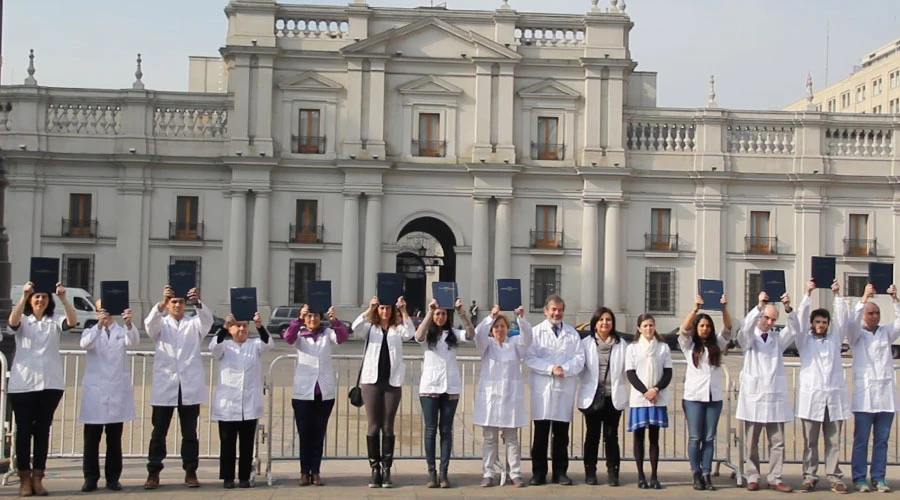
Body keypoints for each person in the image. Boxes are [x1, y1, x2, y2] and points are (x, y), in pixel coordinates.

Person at [7, 281, 76, 496]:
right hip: (23, 384)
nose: (40, 300)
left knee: (42, 431)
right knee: (24, 431)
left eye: (44, 297)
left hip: (50, 383)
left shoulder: (54, 320)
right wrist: (23, 295)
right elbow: (12, 322)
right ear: (30, 300)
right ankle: (24, 479)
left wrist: (63, 298)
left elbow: (72, 321)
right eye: (36, 297)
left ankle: (38, 477)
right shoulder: (23, 320)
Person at [143, 285, 213, 489]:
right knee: (159, 432)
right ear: (168, 304)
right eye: (173, 302)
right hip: (166, 384)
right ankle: (153, 472)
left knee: (189, 433)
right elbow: (149, 324)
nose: (177, 305)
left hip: (188, 385)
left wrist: (197, 302)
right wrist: (161, 303)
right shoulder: (160, 324)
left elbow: (207, 321)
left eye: (181, 302)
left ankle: (190, 471)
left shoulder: (194, 324)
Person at [736, 291, 797, 493]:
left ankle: (775, 477)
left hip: (774, 397)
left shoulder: (777, 340)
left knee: (777, 442)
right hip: (753, 398)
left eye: (773, 320)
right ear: (760, 316)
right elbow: (744, 328)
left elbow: (794, 329)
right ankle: (752, 476)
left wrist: (788, 309)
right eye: (767, 318)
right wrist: (759, 306)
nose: (770, 323)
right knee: (751, 441)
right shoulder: (749, 339)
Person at [351, 295, 415, 488]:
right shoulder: (370, 329)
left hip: (392, 383)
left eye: (388, 308)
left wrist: (403, 310)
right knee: (373, 426)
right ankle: (375, 469)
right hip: (371, 382)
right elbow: (355, 327)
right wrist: (369, 309)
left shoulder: (398, 329)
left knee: (388, 425)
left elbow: (410, 332)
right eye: (382, 308)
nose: (385, 312)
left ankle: (386, 469)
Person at [283, 304, 349, 486]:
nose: (313, 320)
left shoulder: (327, 334)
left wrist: (334, 320)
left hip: (323, 392)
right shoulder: (300, 334)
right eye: (309, 316)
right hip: (303, 393)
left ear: (321, 318)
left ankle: (316, 471)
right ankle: (304, 471)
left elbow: (342, 337)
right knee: (305, 434)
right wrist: (298, 319)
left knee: (319, 433)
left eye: (316, 316)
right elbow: (288, 337)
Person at [794, 279, 850, 494]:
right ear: (812, 323)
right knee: (810, 441)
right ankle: (809, 475)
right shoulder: (804, 340)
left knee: (833, 441)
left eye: (824, 322)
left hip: (833, 398)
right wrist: (808, 293)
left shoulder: (834, 339)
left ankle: (834, 476)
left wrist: (837, 295)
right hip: (812, 397)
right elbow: (799, 319)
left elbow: (842, 319)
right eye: (817, 321)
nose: (821, 325)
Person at [523, 295, 585, 486]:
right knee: (540, 435)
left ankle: (560, 472)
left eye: (560, 310)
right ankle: (539, 473)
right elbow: (529, 357)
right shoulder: (536, 332)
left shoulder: (572, 334)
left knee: (561, 435)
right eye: (553, 309)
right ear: (546, 311)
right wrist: (550, 368)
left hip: (563, 387)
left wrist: (564, 369)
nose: (556, 313)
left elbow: (579, 358)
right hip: (543, 388)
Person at [78, 300, 139, 492]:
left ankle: (113, 478)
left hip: (116, 390)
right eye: (100, 310)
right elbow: (85, 344)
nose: (105, 313)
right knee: (91, 439)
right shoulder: (91, 330)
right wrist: (99, 326)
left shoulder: (122, 331)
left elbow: (133, 341)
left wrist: (128, 323)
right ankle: (90, 478)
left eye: (108, 310)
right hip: (95, 393)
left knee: (114, 439)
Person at [414, 297, 475, 488]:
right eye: (437, 314)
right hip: (430, 387)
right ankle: (431, 471)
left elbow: (471, 335)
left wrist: (462, 313)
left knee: (446, 431)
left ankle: (444, 472)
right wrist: (429, 312)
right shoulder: (428, 334)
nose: (440, 317)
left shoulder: (453, 334)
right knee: (430, 430)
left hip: (450, 387)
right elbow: (418, 336)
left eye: (443, 314)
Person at [847, 283, 900, 493]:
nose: (875, 316)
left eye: (877, 313)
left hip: (885, 397)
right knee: (861, 440)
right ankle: (859, 478)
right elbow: (851, 322)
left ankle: (879, 477)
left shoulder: (886, 333)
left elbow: (899, 323)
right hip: (865, 398)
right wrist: (864, 298)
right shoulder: (857, 335)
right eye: (871, 313)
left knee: (882, 441)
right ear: (864, 315)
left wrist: (894, 299)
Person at [210, 312, 273, 489]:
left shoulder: (255, 345)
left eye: (245, 325)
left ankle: (244, 476)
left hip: (249, 404)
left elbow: (269, 343)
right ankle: (228, 477)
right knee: (227, 443)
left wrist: (260, 326)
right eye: (237, 325)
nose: (242, 329)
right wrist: (224, 327)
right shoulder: (225, 346)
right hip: (228, 404)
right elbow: (213, 346)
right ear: (230, 329)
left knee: (246, 444)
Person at [473, 304, 532, 487]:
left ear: (508, 328)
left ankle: (514, 473)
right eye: (496, 327)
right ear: (492, 330)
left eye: (503, 326)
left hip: (510, 398)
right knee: (490, 438)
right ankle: (488, 472)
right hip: (490, 398)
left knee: (512, 438)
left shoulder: (514, 344)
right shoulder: (487, 345)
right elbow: (478, 334)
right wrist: (491, 316)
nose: (500, 330)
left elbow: (528, 338)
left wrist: (521, 318)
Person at [678, 294, 732, 491]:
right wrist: (695, 309)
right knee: (695, 437)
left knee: (709, 438)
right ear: (697, 327)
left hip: (713, 397)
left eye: (708, 326)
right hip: (694, 397)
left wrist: (724, 308)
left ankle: (707, 473)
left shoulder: (717, 344)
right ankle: (696, 473)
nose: (705, 328)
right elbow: (684, 330)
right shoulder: (689, 345)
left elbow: (728, 329)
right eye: (701, 325)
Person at [576, 307, 628, 486]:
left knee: (611, 435)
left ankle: (613, 472)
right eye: (601, 320)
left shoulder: (621, 344)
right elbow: (581, 369)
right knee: (592, 435)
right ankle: (590, 471)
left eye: (608, 320)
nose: (605, 323)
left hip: (613, 396)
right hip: (593, 396)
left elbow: (626, 369)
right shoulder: (586, 343)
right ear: (595, 323)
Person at [625, 313, 672, 490]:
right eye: (645, 325)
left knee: (654, 437)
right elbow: (631, 373)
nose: (648, 328)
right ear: (639, 328)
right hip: (640, 398)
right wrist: (645, 391)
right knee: (638, 437)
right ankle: (640, 475)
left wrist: (656, 389)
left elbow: (668, 372)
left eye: (651, 325)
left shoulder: (663, 348)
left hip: (657, 397)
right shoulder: (633, 348)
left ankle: (654, 475)